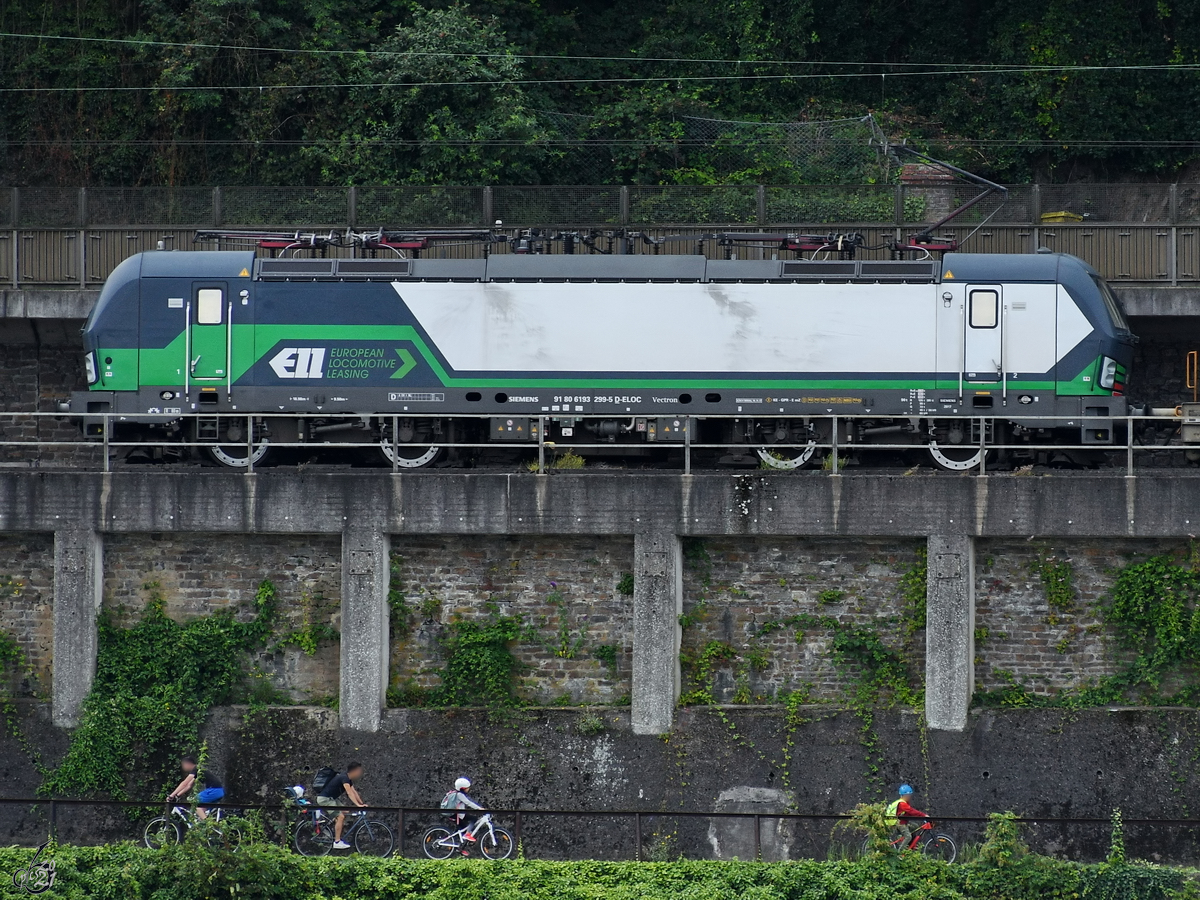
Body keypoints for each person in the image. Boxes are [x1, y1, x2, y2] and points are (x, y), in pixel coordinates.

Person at [316, 762, 367, 849]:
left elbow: (354, 792)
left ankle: (333, 823)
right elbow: (349, 793)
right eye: (359, 771)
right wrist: (358, 805)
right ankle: (337, 841)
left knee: (346, 811)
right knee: (340, 816)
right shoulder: (344, 777)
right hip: (325, 799)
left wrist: (361, 804)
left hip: (332, 799)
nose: (360, 773)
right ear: (354, 771)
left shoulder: (348, 779)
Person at [166, 755, 224, 821]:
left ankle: (209, 825)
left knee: (194, 803)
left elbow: (184, 783)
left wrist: (171, 795)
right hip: (218, 791)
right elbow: (189, 785)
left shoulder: (196, 769)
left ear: (188, 764)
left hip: (213, 791)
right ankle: (205, 826)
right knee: (200, 813)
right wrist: (177, 795)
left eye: (183, 765)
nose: (183, 767)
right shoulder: (198, 771)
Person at [443, 777, 485, 844]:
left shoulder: (456, 793)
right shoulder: (460, 795)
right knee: (474, 818)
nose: (468, 789)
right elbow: (468, 802)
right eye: (467, 788)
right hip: (457, 815)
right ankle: (467, 834)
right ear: (462, 788)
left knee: (461, 830)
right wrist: (479, 808)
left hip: (455, 814)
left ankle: (459, 848)